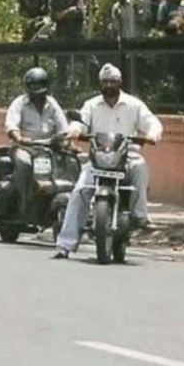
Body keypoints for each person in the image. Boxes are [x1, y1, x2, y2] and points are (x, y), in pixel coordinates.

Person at [53, 63, 163, 259]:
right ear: (100, 84)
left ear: (120, 83)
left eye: (113, 81)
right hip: (98, 159)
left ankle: (140, 215)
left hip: (126, 157)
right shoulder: (91, 105)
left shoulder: (134, 104)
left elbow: (152, 122)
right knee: (79, 191)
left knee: (141, 167)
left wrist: (152, 135)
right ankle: (65, 244)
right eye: (105, 82)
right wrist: (75, 131)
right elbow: (80, 122)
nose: (109, 85)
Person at [4, 67, 69, 218]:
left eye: (39, 85)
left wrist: (66, 142)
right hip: (25, 148)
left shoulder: (52, 104)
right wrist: (20, 138)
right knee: (25, 164)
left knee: (70, 163)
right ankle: (24, 202)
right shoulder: (19, 103)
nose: (36, 90)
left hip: (49, 148)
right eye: (33, 86)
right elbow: (11, 125)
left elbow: (63, 128)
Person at [49, 0, 85, 89]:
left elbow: (80, 13)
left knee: (88, 63)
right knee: (61, 67)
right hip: (62, 37)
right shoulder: (54, 0)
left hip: (77, 36)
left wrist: (63, 15)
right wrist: (69, 11)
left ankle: (86, 87)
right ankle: (62, 91)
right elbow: (55, 17)